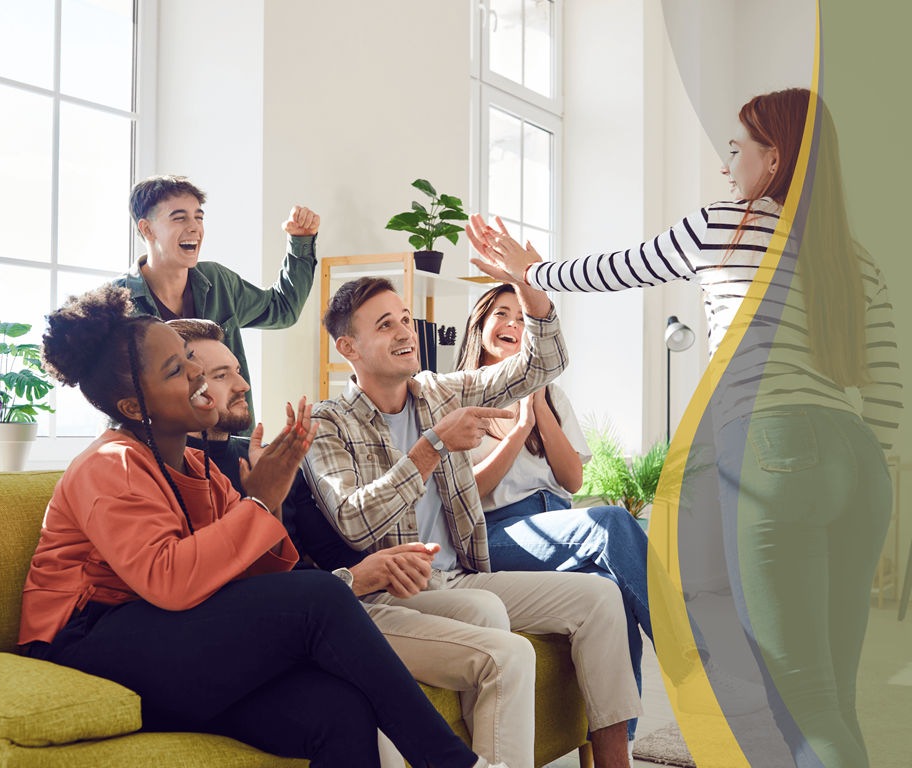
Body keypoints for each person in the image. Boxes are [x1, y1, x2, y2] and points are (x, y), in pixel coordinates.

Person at [467, 88, 900, 768]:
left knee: (802, 699)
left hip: (772, 446)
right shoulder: (855, 255)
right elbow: (888, 392)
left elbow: (618, 268)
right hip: (861, 469)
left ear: (773, 157)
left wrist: (531, 269)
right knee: (834, 698)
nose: (730, 164)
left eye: (738, 149)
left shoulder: (728, 226)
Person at [18, 285, 508, 768]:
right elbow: (168, 580)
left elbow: (264, 577)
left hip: (171, 638)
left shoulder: (200, 466)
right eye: (176, 369)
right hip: (88, 642)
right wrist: (260, 500)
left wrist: (265, 503)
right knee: (319, 598)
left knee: (339, 711)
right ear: (131, 408)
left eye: (187, 358)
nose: (196, 373)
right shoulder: (109, 465)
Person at [304, 276, 642, 768]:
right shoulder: (328, 421)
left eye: (404, 319)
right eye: (385, 325)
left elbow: (544, 364)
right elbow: (355, 520)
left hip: (463, 572)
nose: (405, 332)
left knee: (600, 598)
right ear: (348, 347)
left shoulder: (440, 391)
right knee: (489, 617)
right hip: (399, 591)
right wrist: (432, 446)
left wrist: (533, 290)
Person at [168, 317, 537, 768]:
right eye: (222, 376)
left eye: (237, 370)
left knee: (485, 610)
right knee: (501, 655)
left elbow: (325, 548)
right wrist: (269, 508)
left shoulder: (261, 452)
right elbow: (233, 589)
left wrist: (379, 563)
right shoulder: (172, 471)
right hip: (301, 618)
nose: (243, 383)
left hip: (333, 598)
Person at [453, 284, 766, 757]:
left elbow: (573, 479)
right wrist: (517, 432)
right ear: (479, 327)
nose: (514, 324)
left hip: (558, 524)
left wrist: (537, 407)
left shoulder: (551, 394)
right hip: (497, 535)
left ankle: (615, 756)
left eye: (522, 317)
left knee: (615, 595)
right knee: (613, 523)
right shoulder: (455, 398)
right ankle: (695, 667)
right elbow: (467, 494)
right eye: (501, 314)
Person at [111, 174, 319, 429]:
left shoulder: (219, 281)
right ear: (147, 229)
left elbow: (283, 309)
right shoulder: (115, 302)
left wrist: (300, 241)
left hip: (226, 444)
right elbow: (111, 391)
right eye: (180, 218)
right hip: (155, 450)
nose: (194, 227)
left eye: (198, 217)